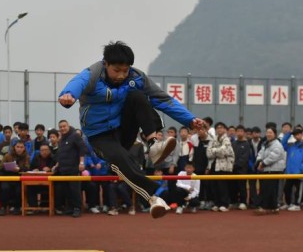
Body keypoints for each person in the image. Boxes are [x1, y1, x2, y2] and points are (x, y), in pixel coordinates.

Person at [58, 41, 204, 219]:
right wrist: (68, 95)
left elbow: (163, 100)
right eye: (116, 70)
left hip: (122, 130)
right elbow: (77, 84)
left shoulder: (136, 78)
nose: (121, 75)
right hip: (99, 136)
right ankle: (153, 198)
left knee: (138, 96)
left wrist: (189, 119)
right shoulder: (92, 75)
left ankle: (153, 144)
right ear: (106, 64)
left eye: (125, 70)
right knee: (121, 159)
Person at [53, 119, 88, 217]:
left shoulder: (75, 136)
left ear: (68, 126)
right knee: (67, 190)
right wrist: (57, 165)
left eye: (64, 126)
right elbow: (61, 154)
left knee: (74, 189)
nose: (62, 128)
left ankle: (77, 208)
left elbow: (82, 148)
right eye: (60, 127)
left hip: (73, 168)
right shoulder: (62, 139)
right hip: (63, 169)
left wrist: (81, 162)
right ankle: (71, 208)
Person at [255, 126, 286, 215]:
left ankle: (265, 207)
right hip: (266, 169)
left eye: (270, 132)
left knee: (270, 189)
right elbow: (260, 153)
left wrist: (263, 163)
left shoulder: (277, 144)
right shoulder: (265, 143)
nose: (268, 134)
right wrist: (259, 161)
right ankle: (273, 207)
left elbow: (273, 156)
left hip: (274, 170)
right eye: (267, 132)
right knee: (266, 189)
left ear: (275, 134)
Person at [206, 122, 234, 212]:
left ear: (225, 129)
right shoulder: (213, 139)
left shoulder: (226, 139)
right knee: (215, 186)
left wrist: (214, 150)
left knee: (223, 186)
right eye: (217, 128)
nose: (219, 129)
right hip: (213, 165)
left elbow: (224, 151)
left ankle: (224, 204)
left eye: (221, 127)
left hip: (224, 166)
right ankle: (217, 203)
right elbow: (208, 153)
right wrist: (217, 151)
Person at [0, 140, 30, 216]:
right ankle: (3, 207)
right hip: (8, 178)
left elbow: (27, 168)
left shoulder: (26, 157)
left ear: (24, 148)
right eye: (17, 147)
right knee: (5, 188)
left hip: (19, 179)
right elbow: (1, 167)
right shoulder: (7, 156)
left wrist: (19, 169)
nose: (19, 149)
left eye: (21, 147)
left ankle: (17, 207)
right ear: (14, 148)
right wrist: (9, 168)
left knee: (19, 190)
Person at [284, 128, 303, 211]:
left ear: (302, 135)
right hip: (289, 172)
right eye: (296, 135)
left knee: (298, 189)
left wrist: (301, 170)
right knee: (287, 189)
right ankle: (289, 203)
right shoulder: (291, 146)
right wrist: (289, 133)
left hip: (299, 173)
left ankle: (297, 204)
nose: (298, 136)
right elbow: (282, 143)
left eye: (299, 134)